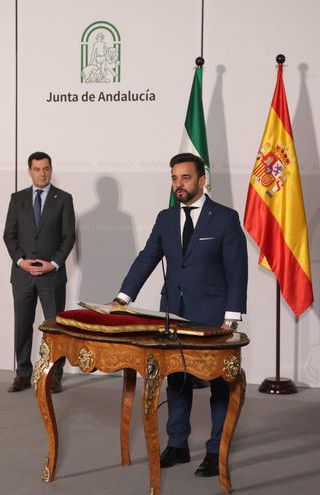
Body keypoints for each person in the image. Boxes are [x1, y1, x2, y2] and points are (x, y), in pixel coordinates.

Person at [112, 152, 248, 477]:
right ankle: (177, 445)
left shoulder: (225, 218)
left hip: (213, 316)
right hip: (172, 314)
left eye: (185, 178)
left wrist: (231, 318)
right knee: (176, 380)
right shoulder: (165, 218)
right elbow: (147, 259)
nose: (178, 185)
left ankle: (216, 452)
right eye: (174, 178)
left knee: (218, 384)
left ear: (202, 180)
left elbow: (237, 270)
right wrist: (122, 297)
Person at [3, 151, 76, 393]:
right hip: (23, 275)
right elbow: (9, 235)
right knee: (22, 325)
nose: (42, 173)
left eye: (46, 168)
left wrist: (53, 263)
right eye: (37, 169)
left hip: (52, 276)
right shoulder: (17, 199)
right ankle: (23, 374)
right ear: (29, 171)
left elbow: (68, 237)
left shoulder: (64, 199)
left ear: (51, 170)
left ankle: (55, 376)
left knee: (56, 327)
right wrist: (20, 261)